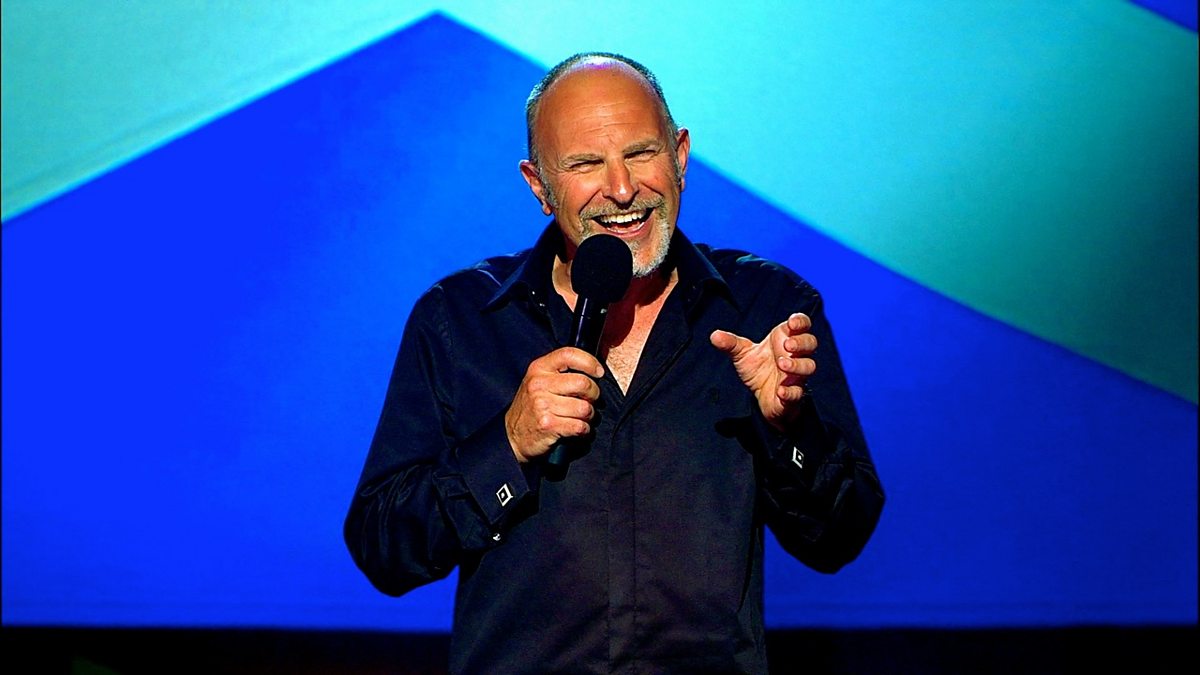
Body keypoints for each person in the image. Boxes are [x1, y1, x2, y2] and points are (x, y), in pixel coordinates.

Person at [344, 52, 885, 674]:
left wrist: (789, 430)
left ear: (680, 157)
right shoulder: (459, 321)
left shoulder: (768, 311)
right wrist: (508, 444)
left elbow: (840, 539)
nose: (623, 189)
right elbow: (383, 551)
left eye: (641, 153)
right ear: (539, 186)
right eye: (585, 164)